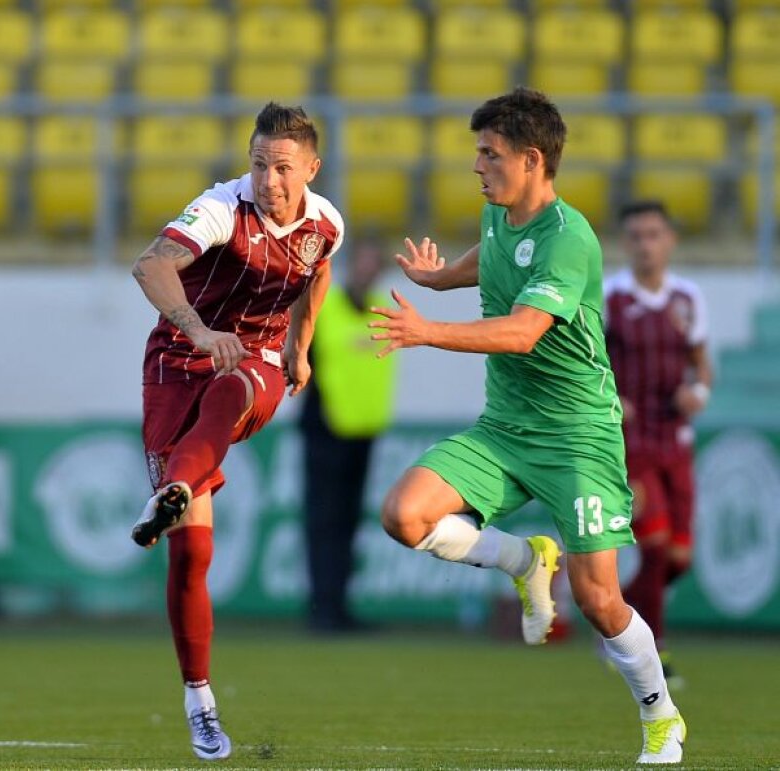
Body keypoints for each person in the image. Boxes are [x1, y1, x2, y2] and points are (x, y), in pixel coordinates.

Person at [368, 88, 685, 765]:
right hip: (505, 427)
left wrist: (428, 330)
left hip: (578, 437)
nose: (477, 166)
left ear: (533, 159)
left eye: (490, 154)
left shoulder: (568, 239)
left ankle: (661, 716)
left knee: (600, 601)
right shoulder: (498, 215)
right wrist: (436, 279)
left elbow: (521, 332)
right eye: (477, 152)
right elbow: (488, 261)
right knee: (404, 514)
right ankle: (523, 558)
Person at [130, 102, 343, 761]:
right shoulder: (221, 208)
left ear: (311, 167)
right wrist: (198, 330)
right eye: (258, 165)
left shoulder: (326, 222)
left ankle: (174, 486)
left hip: (254, 362)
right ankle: (200, 702)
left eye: (282, 168)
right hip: (175, 362)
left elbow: (318, 273)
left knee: (234, 386)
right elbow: (150, 265)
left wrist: (301, 348)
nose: (269, 180)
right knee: (192, 557)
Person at [604, 200, 712, 689]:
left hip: (676, 438)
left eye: (654, 234)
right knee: (655, 545)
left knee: (679, 558)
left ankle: (612, 613)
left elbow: (700, 361)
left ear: (670, 240)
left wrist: (699, 390)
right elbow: (590, 362)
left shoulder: (687, 297)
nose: (646, 244)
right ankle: (654, 652)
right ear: (628, 243)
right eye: (637, 235)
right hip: (632, 441)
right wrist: (611, 397)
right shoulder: (611, 297)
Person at [298, 239, 397, 633]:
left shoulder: (381, 311)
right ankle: (323, 607)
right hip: (325, 428)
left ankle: (338, 605)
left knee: (349, 521)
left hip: (362, 430)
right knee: (324, 519)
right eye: (363, 262)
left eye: (374, 264)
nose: (367, 272)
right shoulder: (324, 308)